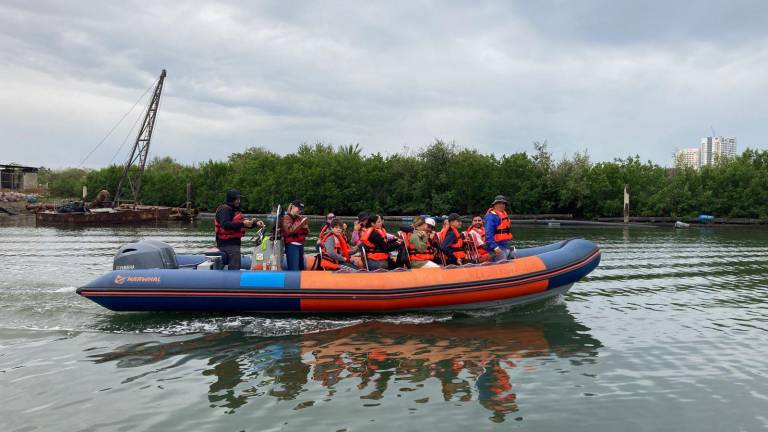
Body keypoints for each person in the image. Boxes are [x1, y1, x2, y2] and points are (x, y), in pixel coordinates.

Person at [215, 189, 263, 270]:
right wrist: (242, 224)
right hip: (228, 245)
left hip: (234, 245)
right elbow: (225, 225)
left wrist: (256, 223)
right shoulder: (225, 210)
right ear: (231, 199)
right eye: (237, 199)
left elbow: (245, 223)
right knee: (235, 269)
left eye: (239, 199)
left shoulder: (235, 210)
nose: (239, 201)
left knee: (236, 266)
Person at [281, 200, 309, 271]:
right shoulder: (286, 217)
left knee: (301, 268)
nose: (300, 211)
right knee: (294, 269)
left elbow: (306, 232)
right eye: (298, 208)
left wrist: (305, 227)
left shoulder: (299, 218)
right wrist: (300, 223)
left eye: (301, 209)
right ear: (292, 207)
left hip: (300, 245)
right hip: (292, 246)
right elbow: (289, 230)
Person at [484, 195, 513, 262]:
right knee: (502, 261)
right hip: (495, 247)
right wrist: (495, 247)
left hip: (503, 244)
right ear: (494, 205)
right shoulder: (491, 217)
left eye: (503, 203)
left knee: (510, 255)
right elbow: (488, 235)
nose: (501, 205)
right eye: (499, 203)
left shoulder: (503, 214)